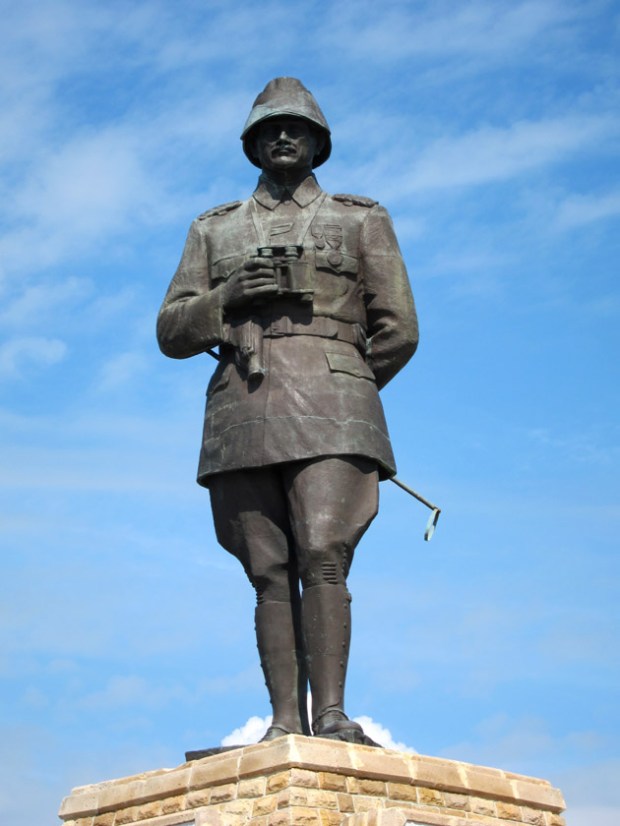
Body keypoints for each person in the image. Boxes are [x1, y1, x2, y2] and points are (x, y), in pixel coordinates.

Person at [157, 77, 418, 744]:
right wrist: (227, 299)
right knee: (268, 567)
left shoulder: (361, 218)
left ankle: (330, 715)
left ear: (317, 142)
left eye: (296, 128)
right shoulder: (213, 230)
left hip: (336, 404)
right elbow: (170, 331)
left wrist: (346, 380)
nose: (282, 137)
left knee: (324, 550)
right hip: (243, 404)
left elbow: (399, 329)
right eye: (269, 128)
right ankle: (282, 723)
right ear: (251, 143)